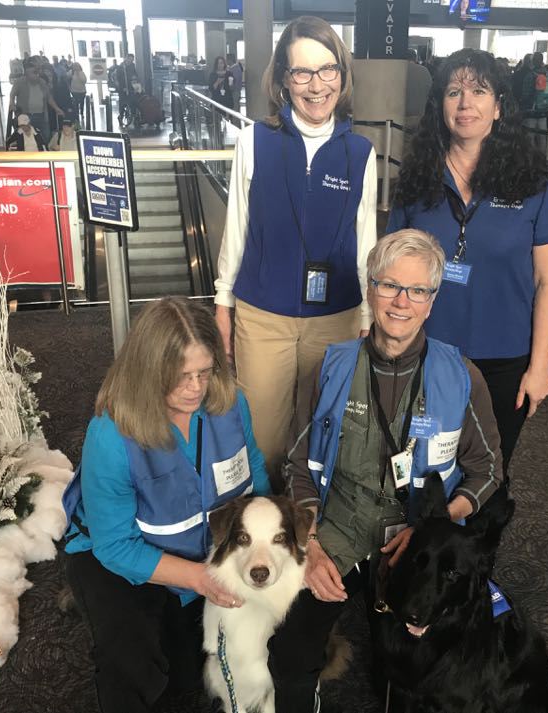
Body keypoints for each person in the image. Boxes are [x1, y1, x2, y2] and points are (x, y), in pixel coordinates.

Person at [269, 229, 504, 712]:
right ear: (369, 288)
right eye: (389, 285)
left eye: (418, 290)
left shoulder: (462, 377)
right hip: (340, 526)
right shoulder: (330, 369)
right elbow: (297, 464)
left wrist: (435, 525)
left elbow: (486, 471)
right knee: (290, 651)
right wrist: (309, 548)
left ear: (432, 300)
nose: (402, 302)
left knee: (414, 673)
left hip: (419, 539)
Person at [62, 297, 272, 713]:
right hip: (120, 558)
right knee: (134, 662)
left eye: (204, 372)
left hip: (204, 556)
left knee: (187, 676)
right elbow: (116, 546)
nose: (196, 388)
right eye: (181, 377)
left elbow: (256, 479)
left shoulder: (231, 404)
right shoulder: (110, 433)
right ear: (148, 372)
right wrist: (198, 578)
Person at [213, 15, 377, 491]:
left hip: (338, 318)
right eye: (301, 72)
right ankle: (260, 536)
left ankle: (313, 538)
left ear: (342, 76)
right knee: (262, 443)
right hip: (263, 317)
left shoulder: (360, 153)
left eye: (327, 70)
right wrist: (224, 302)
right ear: (284, 80)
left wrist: (367, 312)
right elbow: (237, 229)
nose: (316, 85)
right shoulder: (255, 141)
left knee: (323, 440)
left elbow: (364, 238)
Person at [387, 49, 548, 477]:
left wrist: (539, 368)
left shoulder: (534, 183)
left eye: (479, 91)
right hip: (424, 352)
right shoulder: (415, 180)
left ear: (499, 106)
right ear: (440, 106)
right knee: (419, 470)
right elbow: (390, 275)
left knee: (488, 473)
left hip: (504, 359)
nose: (465, 103)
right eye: (454, 92)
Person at [8, 60, 64, 143]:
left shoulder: (42, 82)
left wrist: (56, 108)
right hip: (25, 115)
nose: (36, 75)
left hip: (41, 115)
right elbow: (12, 94)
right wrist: (12, 103)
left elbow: (49, 97)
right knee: (27, 139)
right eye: (33, 73)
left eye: (37, 73)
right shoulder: (20, 82)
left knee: (45, 137)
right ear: (27, 74)